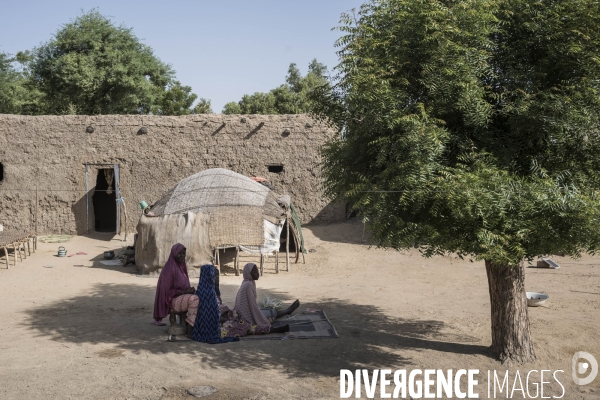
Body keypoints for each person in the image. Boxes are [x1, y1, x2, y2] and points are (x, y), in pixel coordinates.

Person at [222, 263, 299, 337]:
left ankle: (286, 311)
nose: (257, 274)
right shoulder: (248, 285)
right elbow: (252, 306)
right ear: (248, 273)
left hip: (244, 313)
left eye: (257, 271)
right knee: (270, 312)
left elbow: (251, 304)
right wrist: (260, 318)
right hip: (246, 317)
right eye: (255, 272)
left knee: (267, 311)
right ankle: (287, 311)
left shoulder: (248, 282)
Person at [190, 264, 239, 343]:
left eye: (217, 275)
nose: (217, 278)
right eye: (214, 275)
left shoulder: (204, 289)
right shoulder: (208, 293)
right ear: (209, 276)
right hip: (210, 328)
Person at [152, 244, 197, 327]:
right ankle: (191, 326)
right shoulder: (169, 269)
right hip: (172, 301)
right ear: (174, 254)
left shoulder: (181, 267)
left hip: (182, 297)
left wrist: (189, 290)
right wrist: (184, 292)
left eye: (183, 253)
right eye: (179, 253)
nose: (182, 256)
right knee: (194, 300)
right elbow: (166, 293)